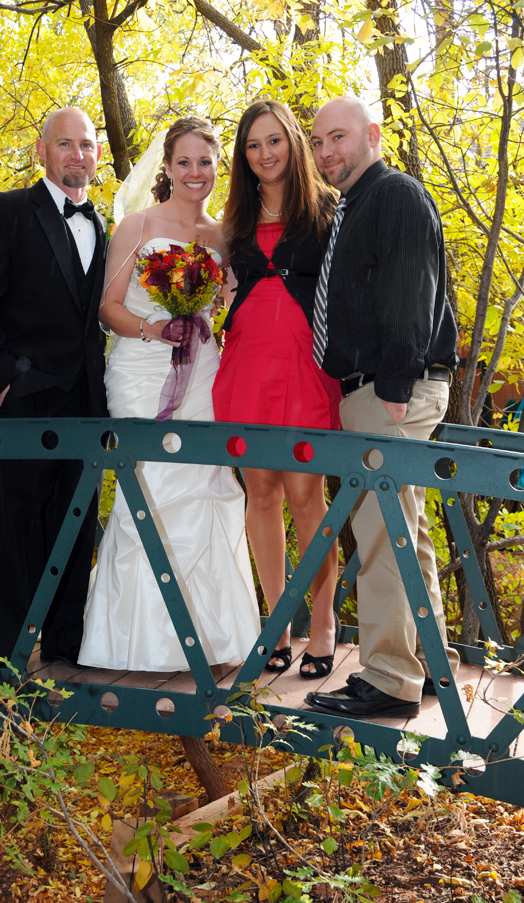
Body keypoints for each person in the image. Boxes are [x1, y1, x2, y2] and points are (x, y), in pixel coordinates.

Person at [78, 117, 260, 671]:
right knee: (149, 488)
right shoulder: (137, 225)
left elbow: (232, 305)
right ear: (167, 167)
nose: (195, 172)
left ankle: (214, 639)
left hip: (202, 369)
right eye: (184, 162)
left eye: (205, 161)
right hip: (140, 366)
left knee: (207, 485)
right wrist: (155, 328)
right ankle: (135, 643)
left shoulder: (225, 234)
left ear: (219, 166)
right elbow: (108, 309)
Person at [304, 95, 461, 718]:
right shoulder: (357, 205)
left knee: (379, 536)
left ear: (372, 134)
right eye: (318, 142)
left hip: (390, 391)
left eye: (338, 137)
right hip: (377, 390)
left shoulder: (393, 194)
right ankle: (428, 664)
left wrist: (394, 387)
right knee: (404, 532)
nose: (326, 152)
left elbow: (410, 291)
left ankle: (391, 679)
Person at [0, 107, 108, 668]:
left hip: (87, 400)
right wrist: (3, 384)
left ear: (97, 154)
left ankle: (66, 644)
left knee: (76, 521)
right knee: (18, 522)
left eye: (85, 145)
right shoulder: (2, 211)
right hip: (24, 397)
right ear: (41, 151)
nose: (77, 155)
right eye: (65, 144)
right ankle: (10, 653)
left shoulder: (103, 224)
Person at [211, 99, 342, 679]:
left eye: (274, 141)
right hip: (245, 366)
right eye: (252, 145)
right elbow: (217, 291)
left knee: (306, 497)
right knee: (260, 495)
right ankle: (278, 624)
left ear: (293, 141)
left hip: (304, 367)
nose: (264, 154)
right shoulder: (234, 220)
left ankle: (324, 623)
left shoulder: (328, 210)